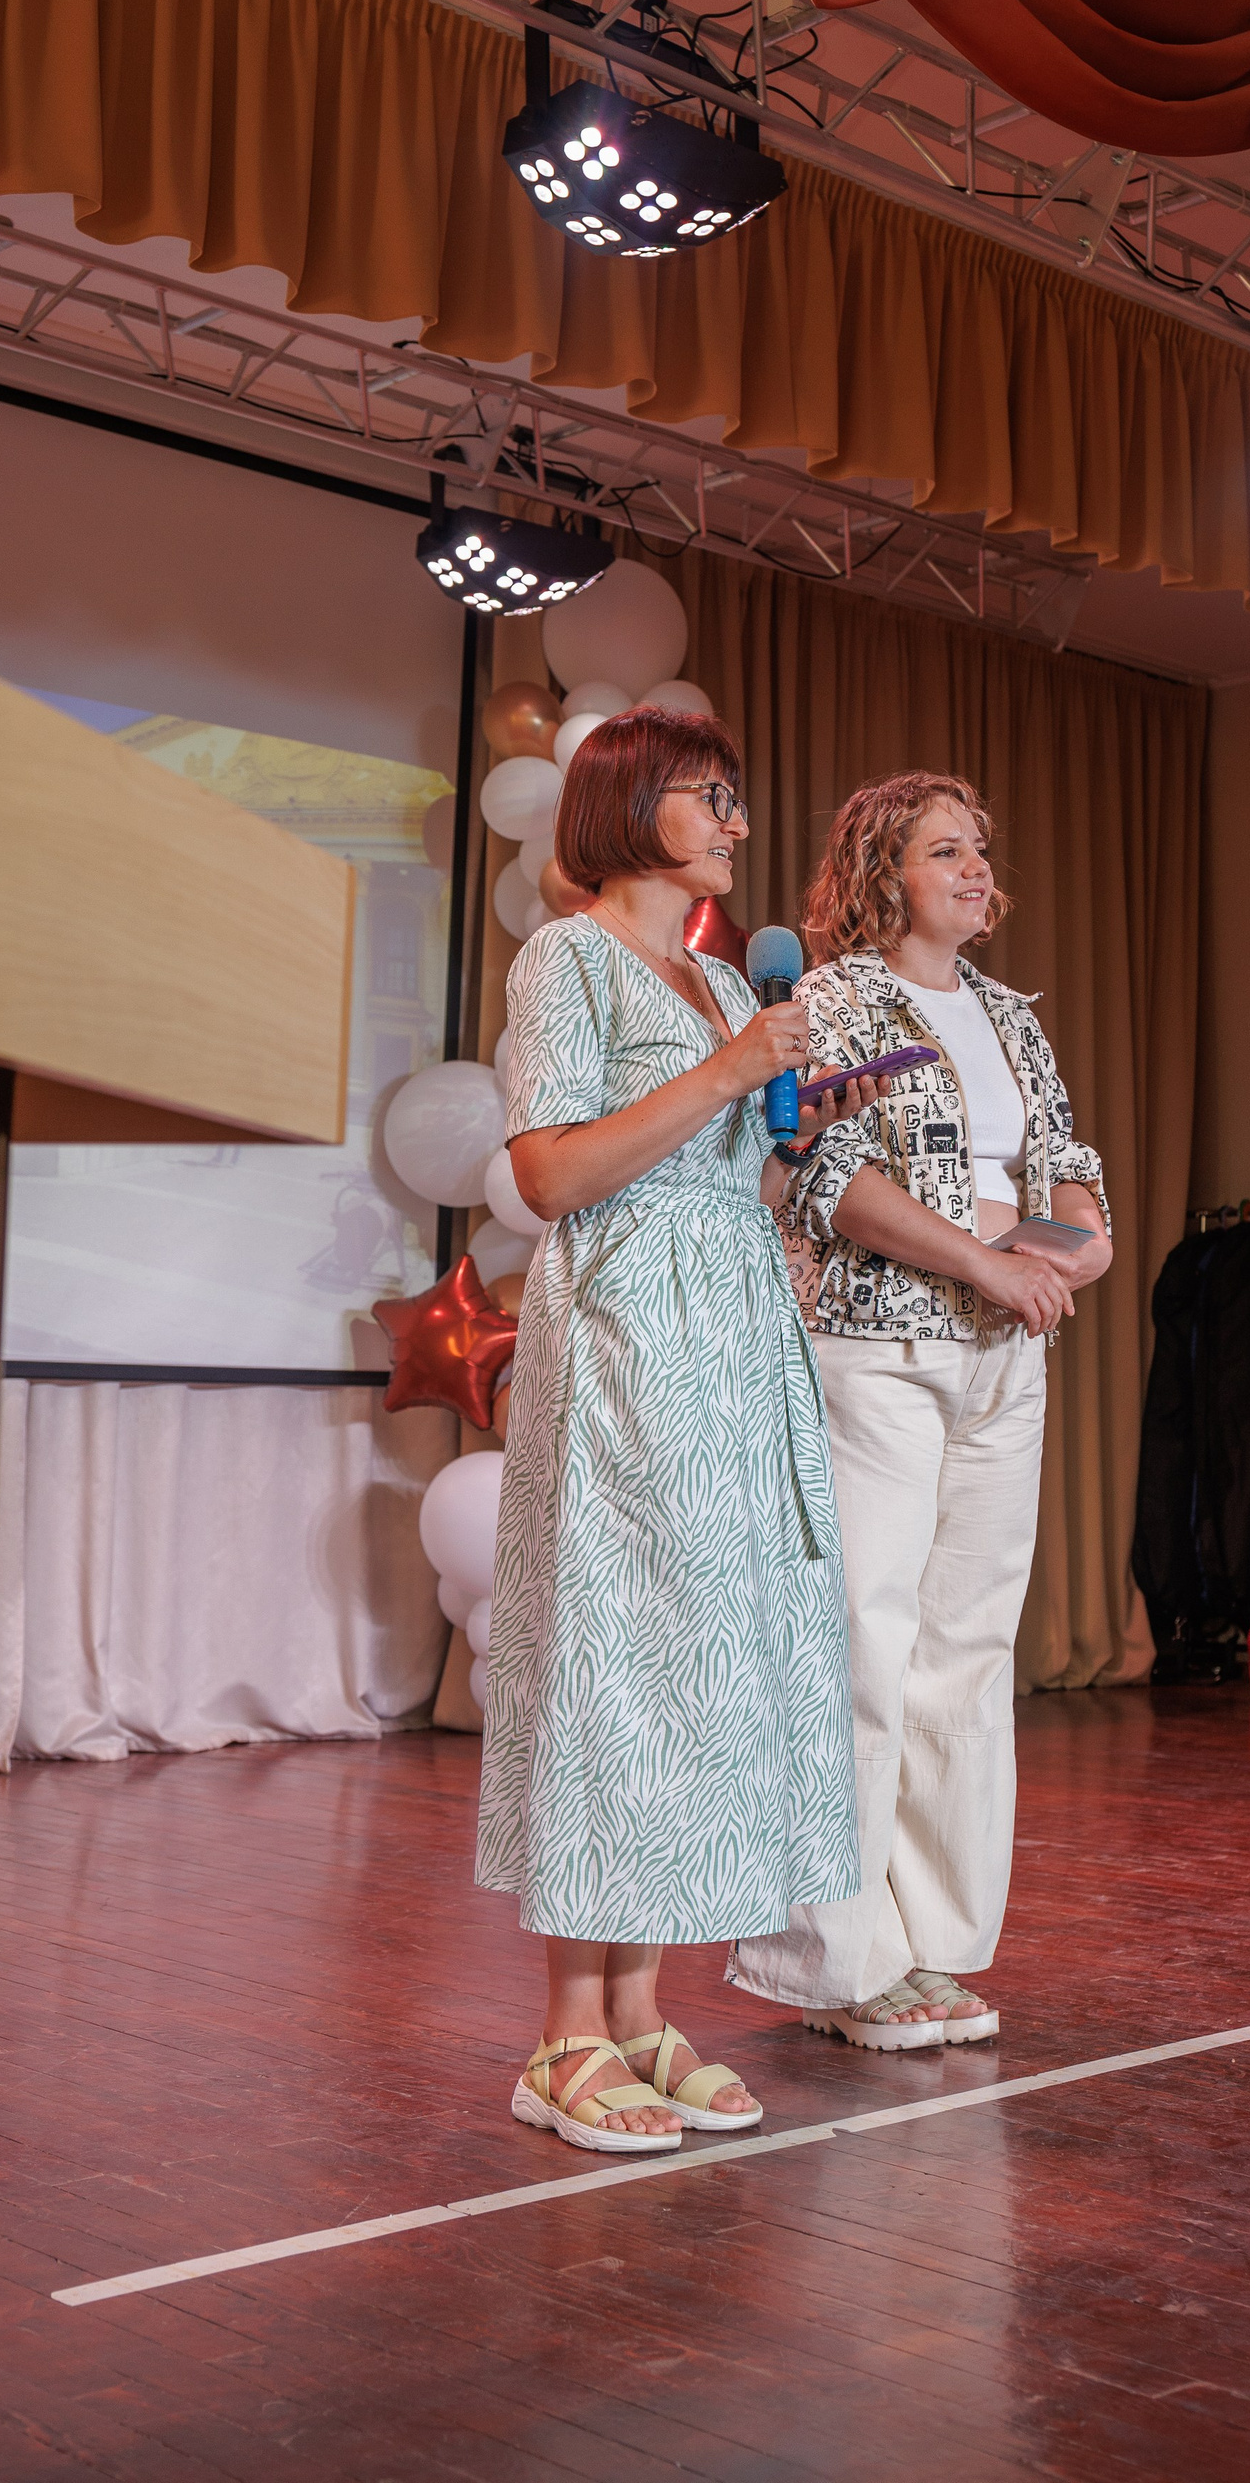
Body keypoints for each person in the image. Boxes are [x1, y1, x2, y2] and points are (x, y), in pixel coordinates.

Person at [477, 705, 875, 2153]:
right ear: (628, 803)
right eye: (708, 795)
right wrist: (725, 1075)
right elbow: (549, 1174)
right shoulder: (565, 959)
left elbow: (729, 1182)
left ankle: (641, 2012)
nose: (735, 821)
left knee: (693, 1661)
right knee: (614, 1659)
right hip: (627, 1332)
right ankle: (563, 2034)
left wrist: (788, 1129)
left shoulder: (715, 978)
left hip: (732, 1332)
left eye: (734, 796)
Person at [731, 772, 1112, 2050]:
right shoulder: (834, 1001)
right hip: (878, 1350)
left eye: (979, 849)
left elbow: (1070, 1174)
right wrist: (989, 1258)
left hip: (1006, 1359)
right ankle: (843, 1962)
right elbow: (824, 1178)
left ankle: (935, 1945)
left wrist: (1074, 1248)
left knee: (966, 1653)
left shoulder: (1010, 1014)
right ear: (880, 872)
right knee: (863, 1646)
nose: (974, 868)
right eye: (945, 849)